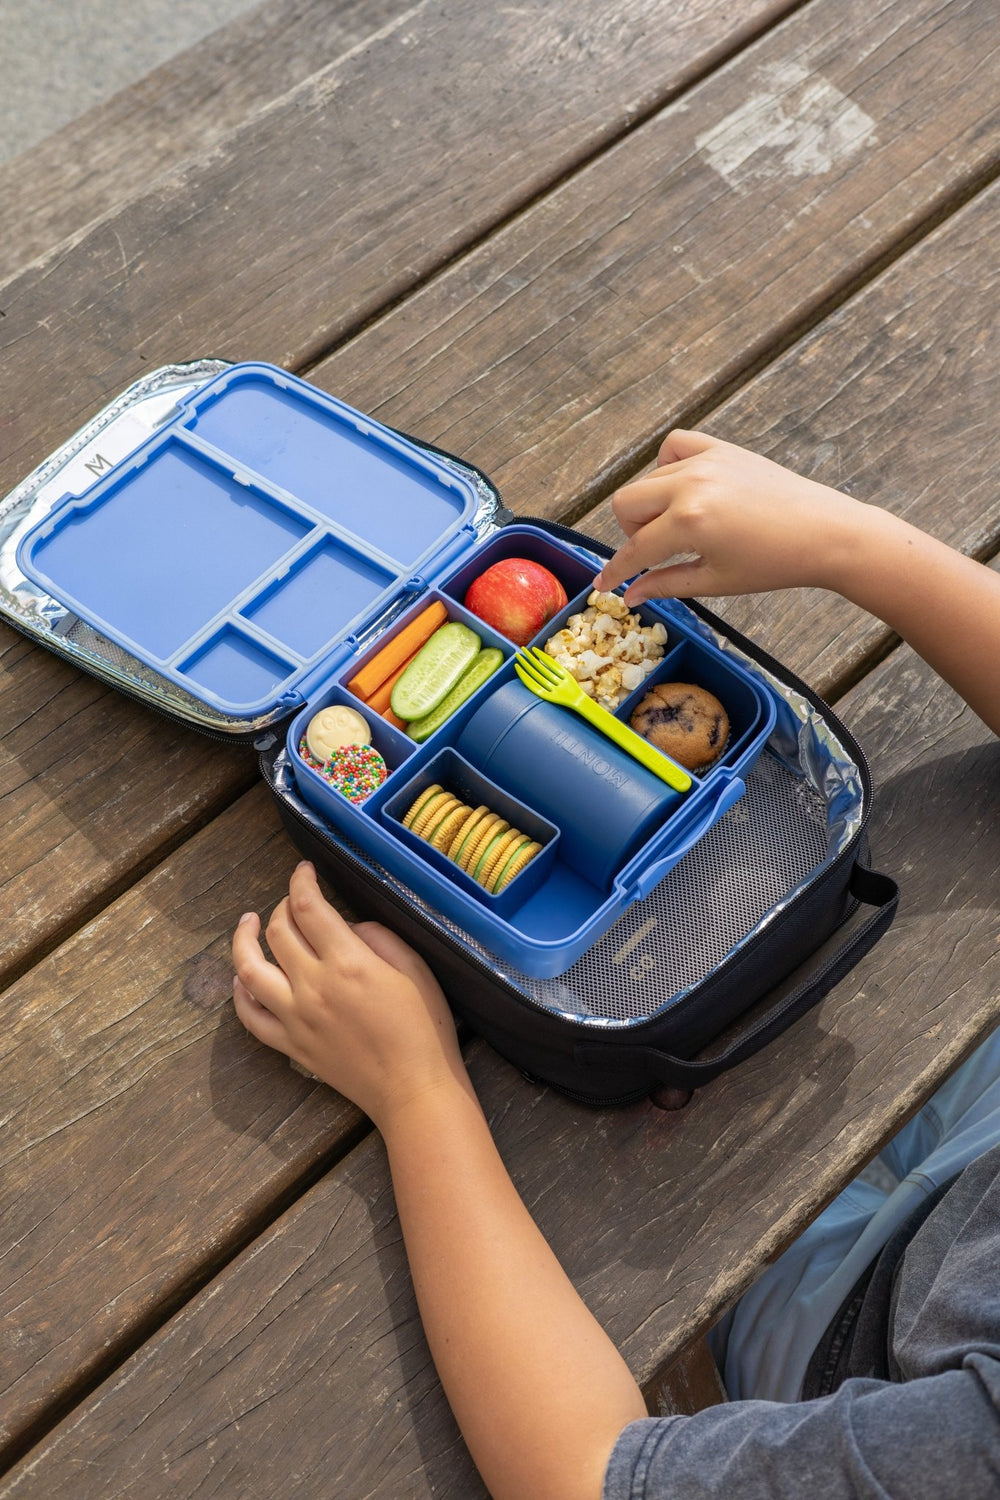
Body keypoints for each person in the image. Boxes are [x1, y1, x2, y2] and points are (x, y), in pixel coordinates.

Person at [231, 430, 1000, 1500]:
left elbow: (585, 1479)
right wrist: (854, 544)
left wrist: (415, 1093)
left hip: (845, 1333)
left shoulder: (966, 1451)